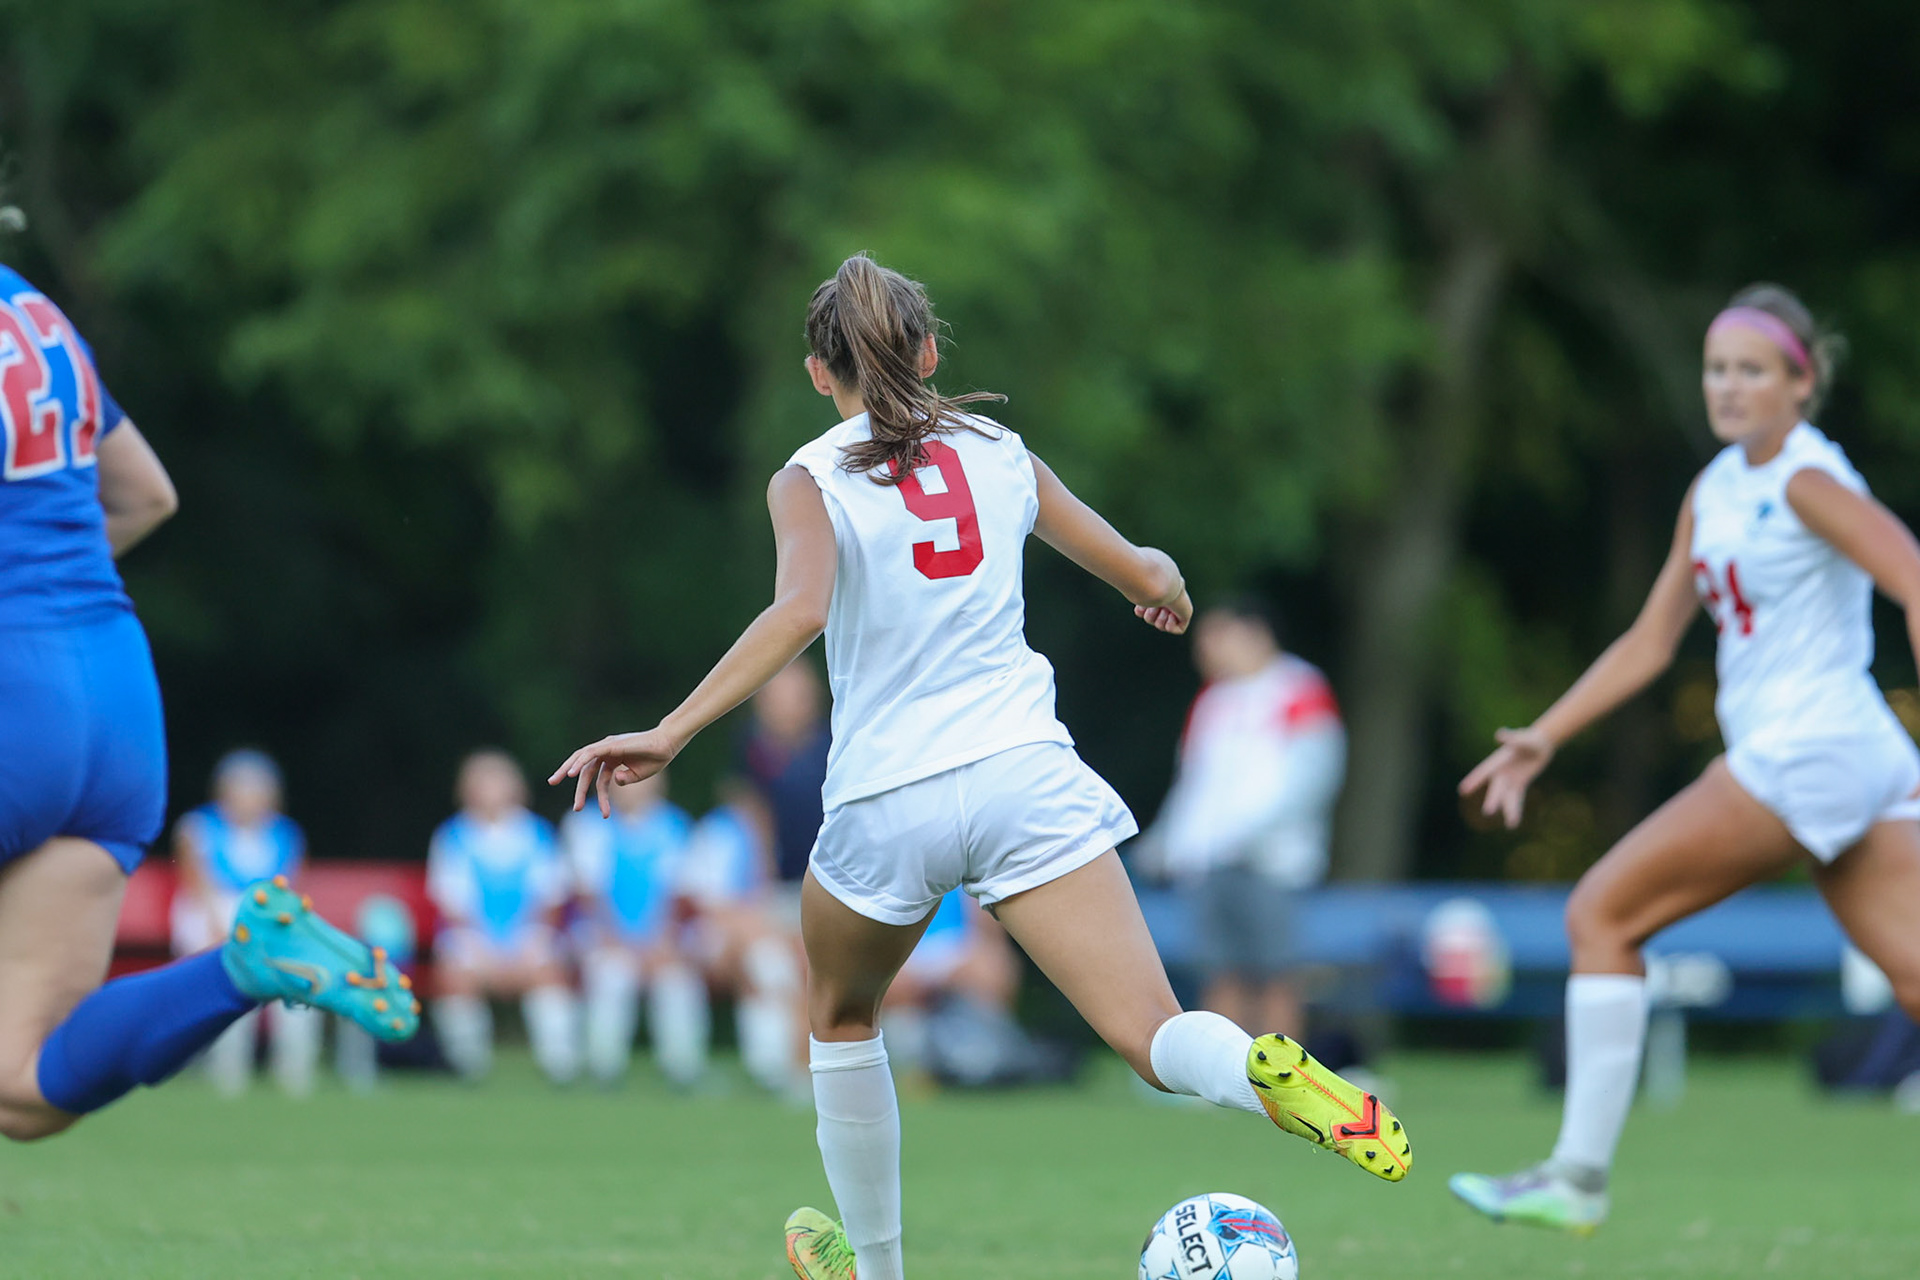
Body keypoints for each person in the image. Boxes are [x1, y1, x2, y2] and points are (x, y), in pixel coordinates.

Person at [552, 253, 1410, 1280]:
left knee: (837, 1012)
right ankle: (1259, 1069)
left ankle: (880, 1270)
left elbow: (799, 611)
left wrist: (671, 729)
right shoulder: (999, 449)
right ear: (927, 348)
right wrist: (1168, 591)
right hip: (1023, 774)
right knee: (1153, 1031)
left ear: (820, 375)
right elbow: (1145, 569)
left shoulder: (811, 475)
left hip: (888, 794)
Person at [1452, 284, 1920, 1234]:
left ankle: (1576, 1178)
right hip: (1848, 753)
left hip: (1812, 747)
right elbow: (1651, 640)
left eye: (1753, 370)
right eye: (1717, 369)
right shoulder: (1715, 487)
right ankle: (1574, 1178)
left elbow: (1911, 575)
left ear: (1802, 383)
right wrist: (1548, 731)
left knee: (1602, 914)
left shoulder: (1805, 479)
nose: (1730, 386)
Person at [0, 266, 416, 1144]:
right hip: (112, 690)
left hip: (15, 692)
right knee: (22, 1085)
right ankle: (241, 969)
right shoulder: (35, 313)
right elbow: (147, 494)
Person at [1140, 597, 1344, 1041]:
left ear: (1254, 633)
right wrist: (1166, 842)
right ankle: (1230, 1077)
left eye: (1216, 636)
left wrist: (1248, 831)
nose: (1205, 649)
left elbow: (1314, 774)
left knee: (1277, 972)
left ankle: (1286, 1077)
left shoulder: (1299, 688)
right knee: (1221, 971)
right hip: (1210, 861)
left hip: (1272, 860)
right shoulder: (1212, 701)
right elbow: (1193, 784)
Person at [170, 749, 322, 1096]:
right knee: (235, 974)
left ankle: (295, 1071)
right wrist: (221, 928)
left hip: (264, 924)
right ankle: (227, 1070)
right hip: (213, 919)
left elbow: (287, 892)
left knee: (300, 976)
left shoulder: (286, 834)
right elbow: (197, 884)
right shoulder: (198, 827)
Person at [428, 749, 580, 1085]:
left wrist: (521, 947)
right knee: (455, 974)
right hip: (472, 938)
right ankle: (466, 1063)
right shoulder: (452, 836)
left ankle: (559, 1062)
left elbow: (549, 900)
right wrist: (488, 953)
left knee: (547, 971)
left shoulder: (538, 835)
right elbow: (454, 907)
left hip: (529, 934)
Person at [561, 770, 698, 1086]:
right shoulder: (586, 825)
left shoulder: (675, 826)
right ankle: (604, 1066)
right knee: (613, 975)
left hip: (658, 939)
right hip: (602, 935)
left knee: (676, 980)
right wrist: (622, 943)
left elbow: (678, 895)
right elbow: (588, 896)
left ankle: (682, 1068)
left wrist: (661, 942)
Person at [670, 782, 806, 1095]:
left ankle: (785, 1064)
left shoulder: (767, 839)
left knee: (789, 965)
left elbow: (769, 903)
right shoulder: (719, 833)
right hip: (711, 936)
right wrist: (751, 929)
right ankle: (773, 1066)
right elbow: (704, 904)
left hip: (755, 934)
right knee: (767, 963)